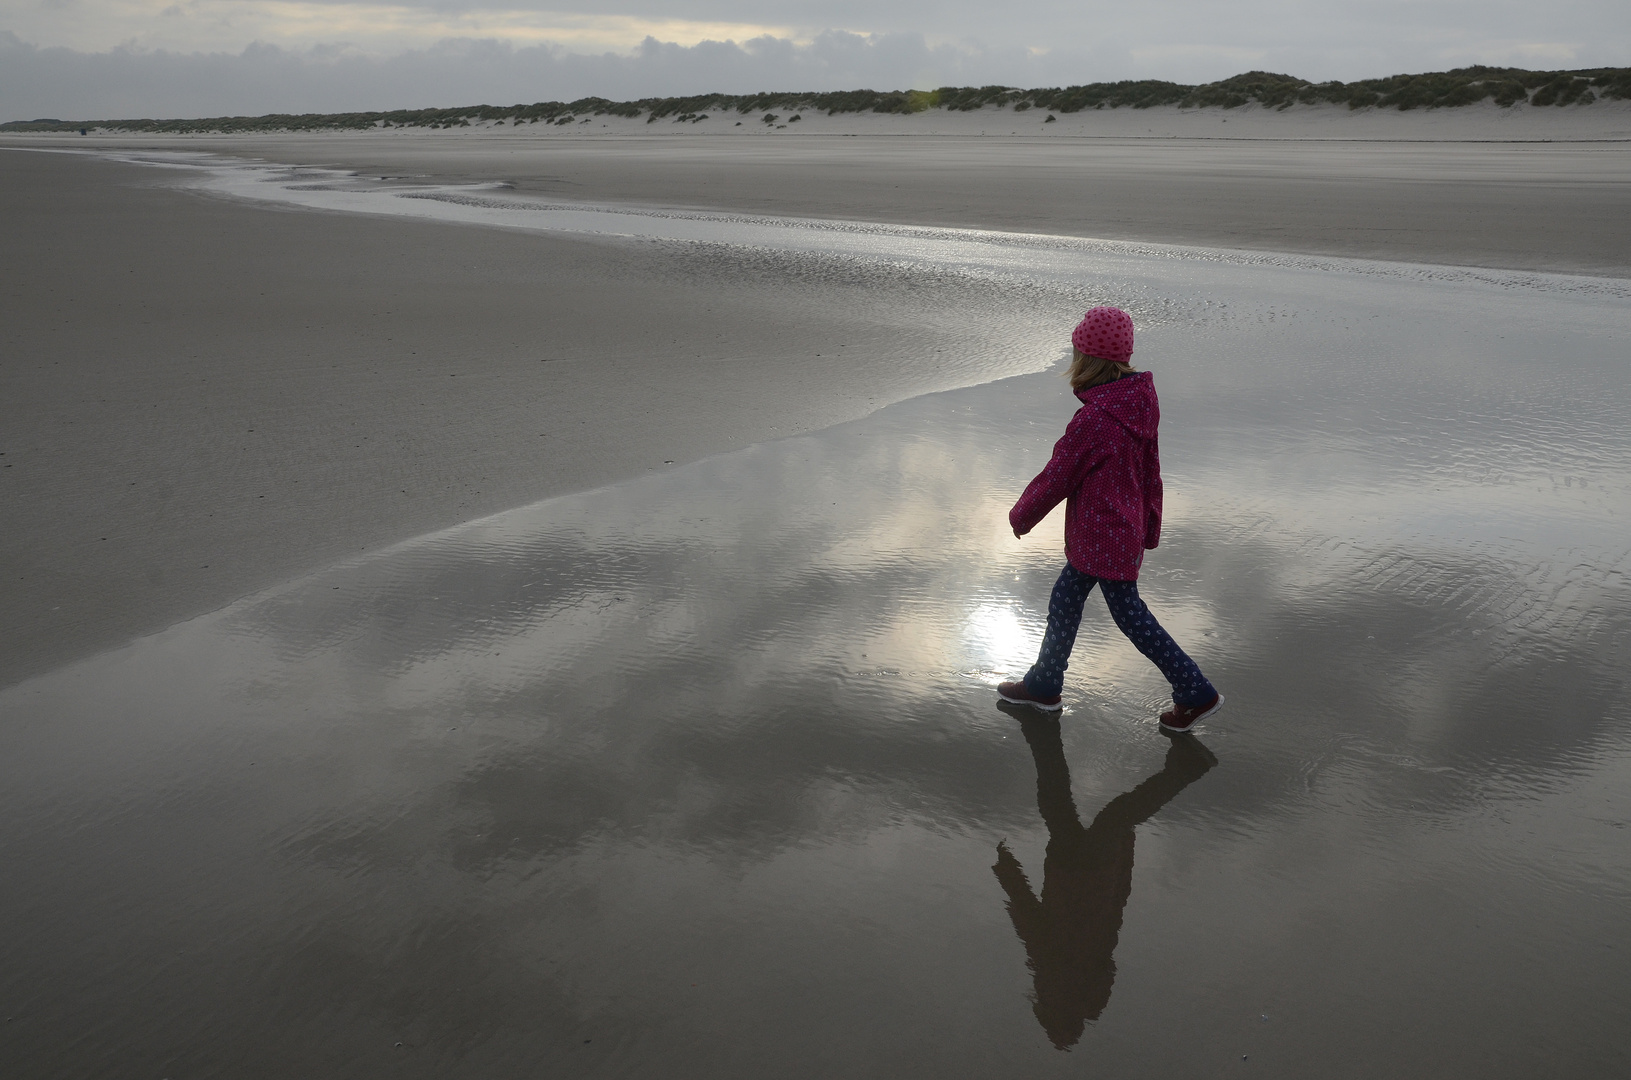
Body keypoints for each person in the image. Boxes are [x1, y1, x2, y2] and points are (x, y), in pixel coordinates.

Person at [997, 307, 1223, 732]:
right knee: (1066, 599)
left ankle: (1194, 691)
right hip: (1120, 532)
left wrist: (1021, 515)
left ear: (1087, 361)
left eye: (1076, 355)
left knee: (1129, 614)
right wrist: (1149, 525)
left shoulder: (1095, 420)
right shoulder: (1139, 404)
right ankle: (1044, 683)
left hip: (1102, 537)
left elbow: (1056, 477)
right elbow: (1150, 472)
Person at [992, 709, 1216, 1047]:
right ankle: (1186, 771)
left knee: (1099, 815)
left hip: (1097, 873)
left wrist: (1126, 853)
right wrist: (1005, 870)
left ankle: (1183, 773)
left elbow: (1117, 906)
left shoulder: (1097, 963)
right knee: (1064, 804)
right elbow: (1027, 917)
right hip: (1071, 868)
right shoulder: (1053, 966)